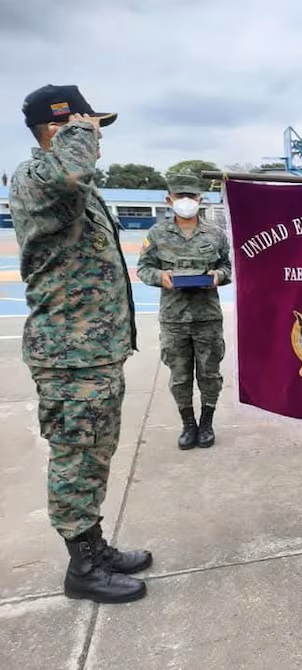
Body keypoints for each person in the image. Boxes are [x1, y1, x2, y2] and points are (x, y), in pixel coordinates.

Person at [10, 84, 151, 603]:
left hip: (93, 352)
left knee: (94, 455)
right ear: (58, 129)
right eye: (91, 128)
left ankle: (94, 546)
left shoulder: (74, 187)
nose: (98, 139)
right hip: (68, 354)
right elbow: (71, 170)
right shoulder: (38, 178)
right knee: (75, 458)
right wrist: (76, 133)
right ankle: (82, 570)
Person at [137, 173, 232, 450]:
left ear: (200, 200)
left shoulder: (215, 234)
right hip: (174, 318)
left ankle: (206, 423)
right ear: (169, 200)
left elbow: (228, 267)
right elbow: (143, 268)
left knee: (210, 374)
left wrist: (217, 276)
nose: (186, 202)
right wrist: (161, 277)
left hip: (207, 317)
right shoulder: (157, 234)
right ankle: (188, 424)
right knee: (179, 376)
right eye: (180, 197)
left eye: (191, 197)